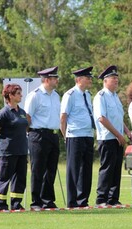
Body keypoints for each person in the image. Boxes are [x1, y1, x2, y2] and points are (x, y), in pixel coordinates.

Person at [93, 65, 132, 206]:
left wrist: (127, 132)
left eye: (117, 78)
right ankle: (101, 199)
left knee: (116, 169)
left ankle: (113, 199)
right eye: (113, 78)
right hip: (107, 138)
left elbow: (118, 118)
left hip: (118, 138)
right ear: (105, 81)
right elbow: (102, 118)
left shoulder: (115, 97)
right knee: (107, 169)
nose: (116, 81)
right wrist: (118, 135)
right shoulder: (101, 96)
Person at [24, 66, 60, 209]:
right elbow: (27, 116)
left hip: (53, 134)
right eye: (54, 78)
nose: (57, 80)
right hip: (38, 134)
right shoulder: (35, 95)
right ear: (46, 80)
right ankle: (36, 202)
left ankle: (47, 200)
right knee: (38, 169)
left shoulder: (56, 95)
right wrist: (31, 134)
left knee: (51, 169)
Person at [60, 66, 95, 208]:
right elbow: (63, 117)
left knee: (86, 170)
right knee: (73, 169)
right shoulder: (70, 95)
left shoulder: (87, 94)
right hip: (74, 135)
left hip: (88, 135)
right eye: (87, 78)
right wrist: (65, 136)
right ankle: (72, 201)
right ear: (79, 79)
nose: (90, 80)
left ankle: (83, 200)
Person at [0, 84, 29, 211]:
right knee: (4, 178)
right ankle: (1, 205)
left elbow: (25, 127)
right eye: (18, 93)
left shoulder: (22, 112)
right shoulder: (3, 113)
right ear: (10, 96)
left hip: (21, 150)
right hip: (7, 152)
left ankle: (16, 204)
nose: (21, 95)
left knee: (20, 178)